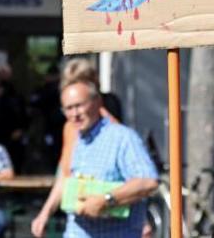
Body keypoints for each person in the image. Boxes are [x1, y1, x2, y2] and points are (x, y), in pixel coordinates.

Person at [31, 58, 126, 237]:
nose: (75, 112)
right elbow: (65, 175)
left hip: (112, 220)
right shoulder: (70, 127)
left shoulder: (110, 112)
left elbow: (133, 176)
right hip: (80, 221)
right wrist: (45, 213)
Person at [54, 78, 157, 238]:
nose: (75, 114)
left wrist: (106, 200)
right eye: (68, 108)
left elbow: (147, 181)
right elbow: (65, 181)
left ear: (97, 102)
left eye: (79, 106)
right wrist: (44, 215)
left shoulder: (122, 138)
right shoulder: (76, 139)